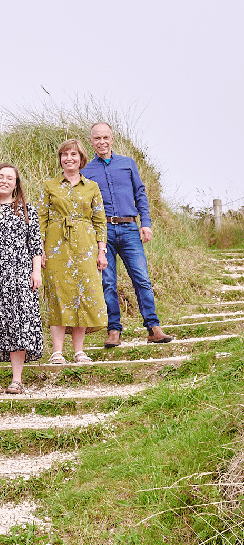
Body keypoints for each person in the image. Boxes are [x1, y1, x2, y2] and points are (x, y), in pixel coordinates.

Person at [83, 122, 173, 347]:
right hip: (103, 233)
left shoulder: (127, 164)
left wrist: (146, 223)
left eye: (105, 137)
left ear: (112, 139)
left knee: (142, 279)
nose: (102, 142)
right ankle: (114, 331)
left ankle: (153, 327)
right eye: (97, 138)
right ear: (91, 141)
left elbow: (140, 194)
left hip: (130, 228)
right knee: (108, 282)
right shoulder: (86, 172)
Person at [39, 139, 108, 364]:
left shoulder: (92, 187)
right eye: (64, 154)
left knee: (83, 295)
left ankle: (79, 351)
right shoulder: (49, 186)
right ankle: (57, 351)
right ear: (60, 159)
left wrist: (101, 251)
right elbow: (41, 219)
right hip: (56, 246)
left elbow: (99, 220)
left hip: (85, 247)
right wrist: (40, 250)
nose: (69, 158)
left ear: (81, 159)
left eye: (73, 155)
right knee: (58, 295)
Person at [0, 164, 44, 395]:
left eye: (10, 178)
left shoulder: (27, 210)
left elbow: (35, 245)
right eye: (1, 177)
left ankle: (17, 379)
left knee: (19, 325)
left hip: (20, 275)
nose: (4, 181)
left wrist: (36, 271)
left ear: (16, 184)